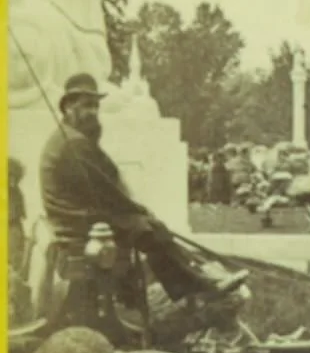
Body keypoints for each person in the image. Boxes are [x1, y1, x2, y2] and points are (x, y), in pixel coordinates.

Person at [39, 73, 248, 304]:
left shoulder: (69, 138)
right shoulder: (74, 143)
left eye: (96, 106)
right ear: (68, 107)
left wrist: (137, 212)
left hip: (74, 216)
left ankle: (180, 285)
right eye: (87, 106)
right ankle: (194, 287)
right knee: (152, 231)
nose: (93, 113)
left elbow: (102, 190)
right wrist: (141, 212)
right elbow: (107, 192)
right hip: (77, 222)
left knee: (148, 226)